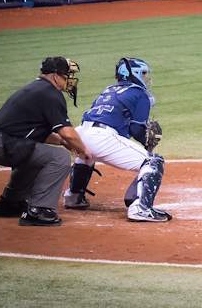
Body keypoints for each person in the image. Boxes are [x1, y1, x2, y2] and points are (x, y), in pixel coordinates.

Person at [0, 57, 91, 226]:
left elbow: (34, 132)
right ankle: (39, 210)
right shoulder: (50, 93)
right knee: (59, 158)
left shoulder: (36, 89)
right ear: (55, 76)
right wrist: (83, 150)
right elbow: (68, 133)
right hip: (4, 144)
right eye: (66, 75)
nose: (69, 79)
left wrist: (62, 142)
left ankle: (11, 203)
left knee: (35, 156)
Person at [63, 58, 172, 223]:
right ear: (132, 74)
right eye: (143, 73)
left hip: (80, 132)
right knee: (153, 162)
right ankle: (141, 209)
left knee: (87, 155)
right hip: (101, 137)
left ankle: (74, 196)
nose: (146, 78)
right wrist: (147, 142)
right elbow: (136, 129)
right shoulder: (139, 93)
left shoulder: (109, 90)